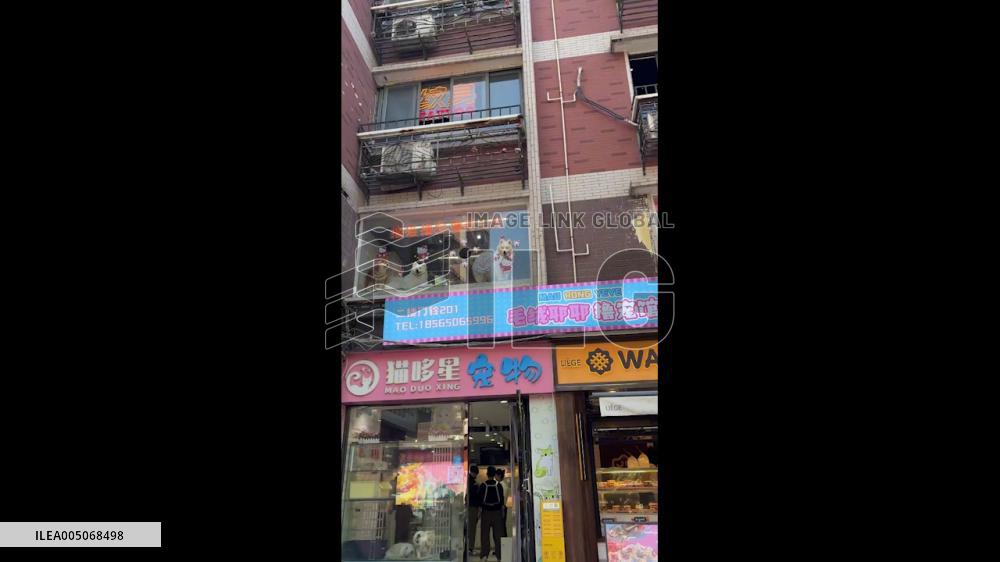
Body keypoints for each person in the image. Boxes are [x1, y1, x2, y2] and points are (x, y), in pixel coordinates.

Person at [479, 466, 504, 561]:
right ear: (494, 475)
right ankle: (499, 556)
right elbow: (501, 501)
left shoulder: (483, 485)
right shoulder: (499, 485)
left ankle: (485, 555)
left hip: (485, 512)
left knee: (484, 534)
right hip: (497, 513)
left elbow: (480, 500)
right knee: (498, 535)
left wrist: (479, 511)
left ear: (487, 474)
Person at [467, 465, 482, 557]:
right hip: (472, 508)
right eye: (476, 473)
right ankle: (470, 548)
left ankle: (468, 548)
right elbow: (477, 497)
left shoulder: (467, 481)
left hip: (468, 507)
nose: (476, 475)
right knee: (472, 528)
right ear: (474, 473)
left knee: (468, 528)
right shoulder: (474, 484)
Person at [495, 469, 508, 537]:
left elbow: (502, 498)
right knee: (502, 527)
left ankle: (503, 544)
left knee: (501, 527)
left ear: (499, 475)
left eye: (496, 475)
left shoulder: (502, 485)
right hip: (502, 507)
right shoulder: (503, 485)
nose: (495, 477)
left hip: (501, 508)